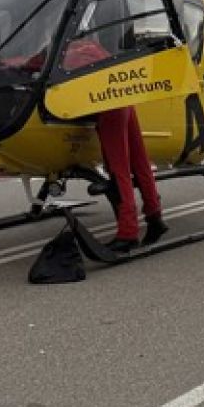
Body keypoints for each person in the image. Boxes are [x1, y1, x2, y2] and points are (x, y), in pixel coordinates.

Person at [61, 30, 167, 255]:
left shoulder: (68, 53)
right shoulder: (93, 47)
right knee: (140, 163)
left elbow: (38, 65)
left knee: (118, 170)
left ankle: (128, 234)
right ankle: (155, 216)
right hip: (124, 100)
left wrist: (10, 63)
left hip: (108, 108)